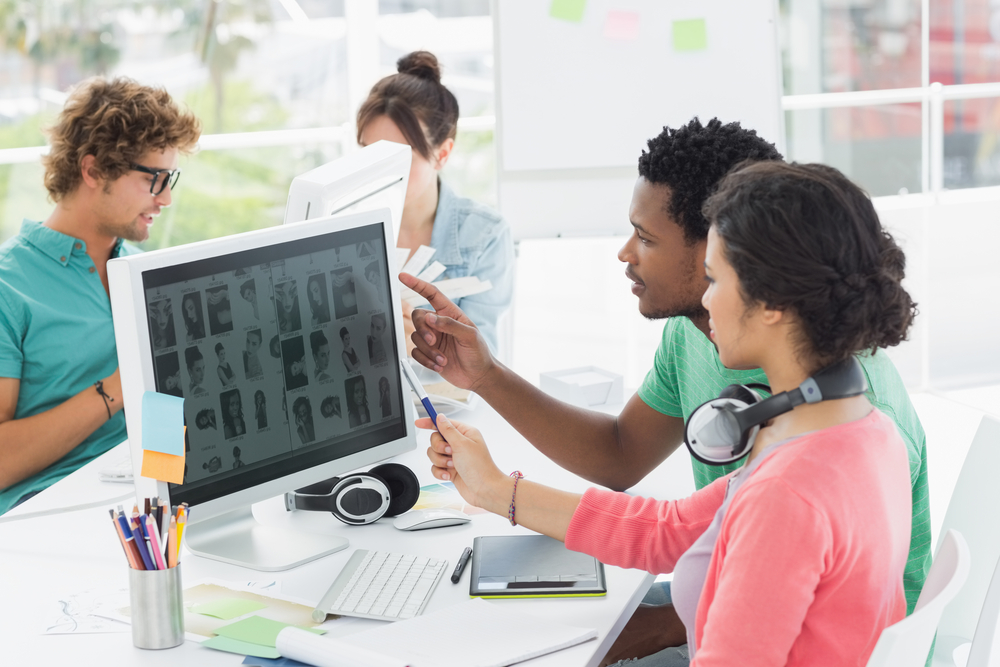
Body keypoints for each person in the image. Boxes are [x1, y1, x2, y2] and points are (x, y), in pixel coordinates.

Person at [403, 118, 930, 664]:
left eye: (716, 277)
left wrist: (652, 631)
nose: (708, 300)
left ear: (770, 300)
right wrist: (492, 487)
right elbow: (671, 528)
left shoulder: (789, 494)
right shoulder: (849, 425)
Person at [0, 76, 200, 515]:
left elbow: (165, 418)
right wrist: (121, 385)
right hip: (51, 512)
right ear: (92, 171)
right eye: (155, 178)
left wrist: (178, 487)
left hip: (149, 501)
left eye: (172, 179)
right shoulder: (7, 288)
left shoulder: (151, 274)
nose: (166, 198)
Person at [357, 50, 514, 354]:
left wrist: (420, 350)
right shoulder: (343, 226)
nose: (378, 174)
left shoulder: (484, 236)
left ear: (442, 154)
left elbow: (487, 368)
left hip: (446, 401)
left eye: (399, 157)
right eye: (369, 154)